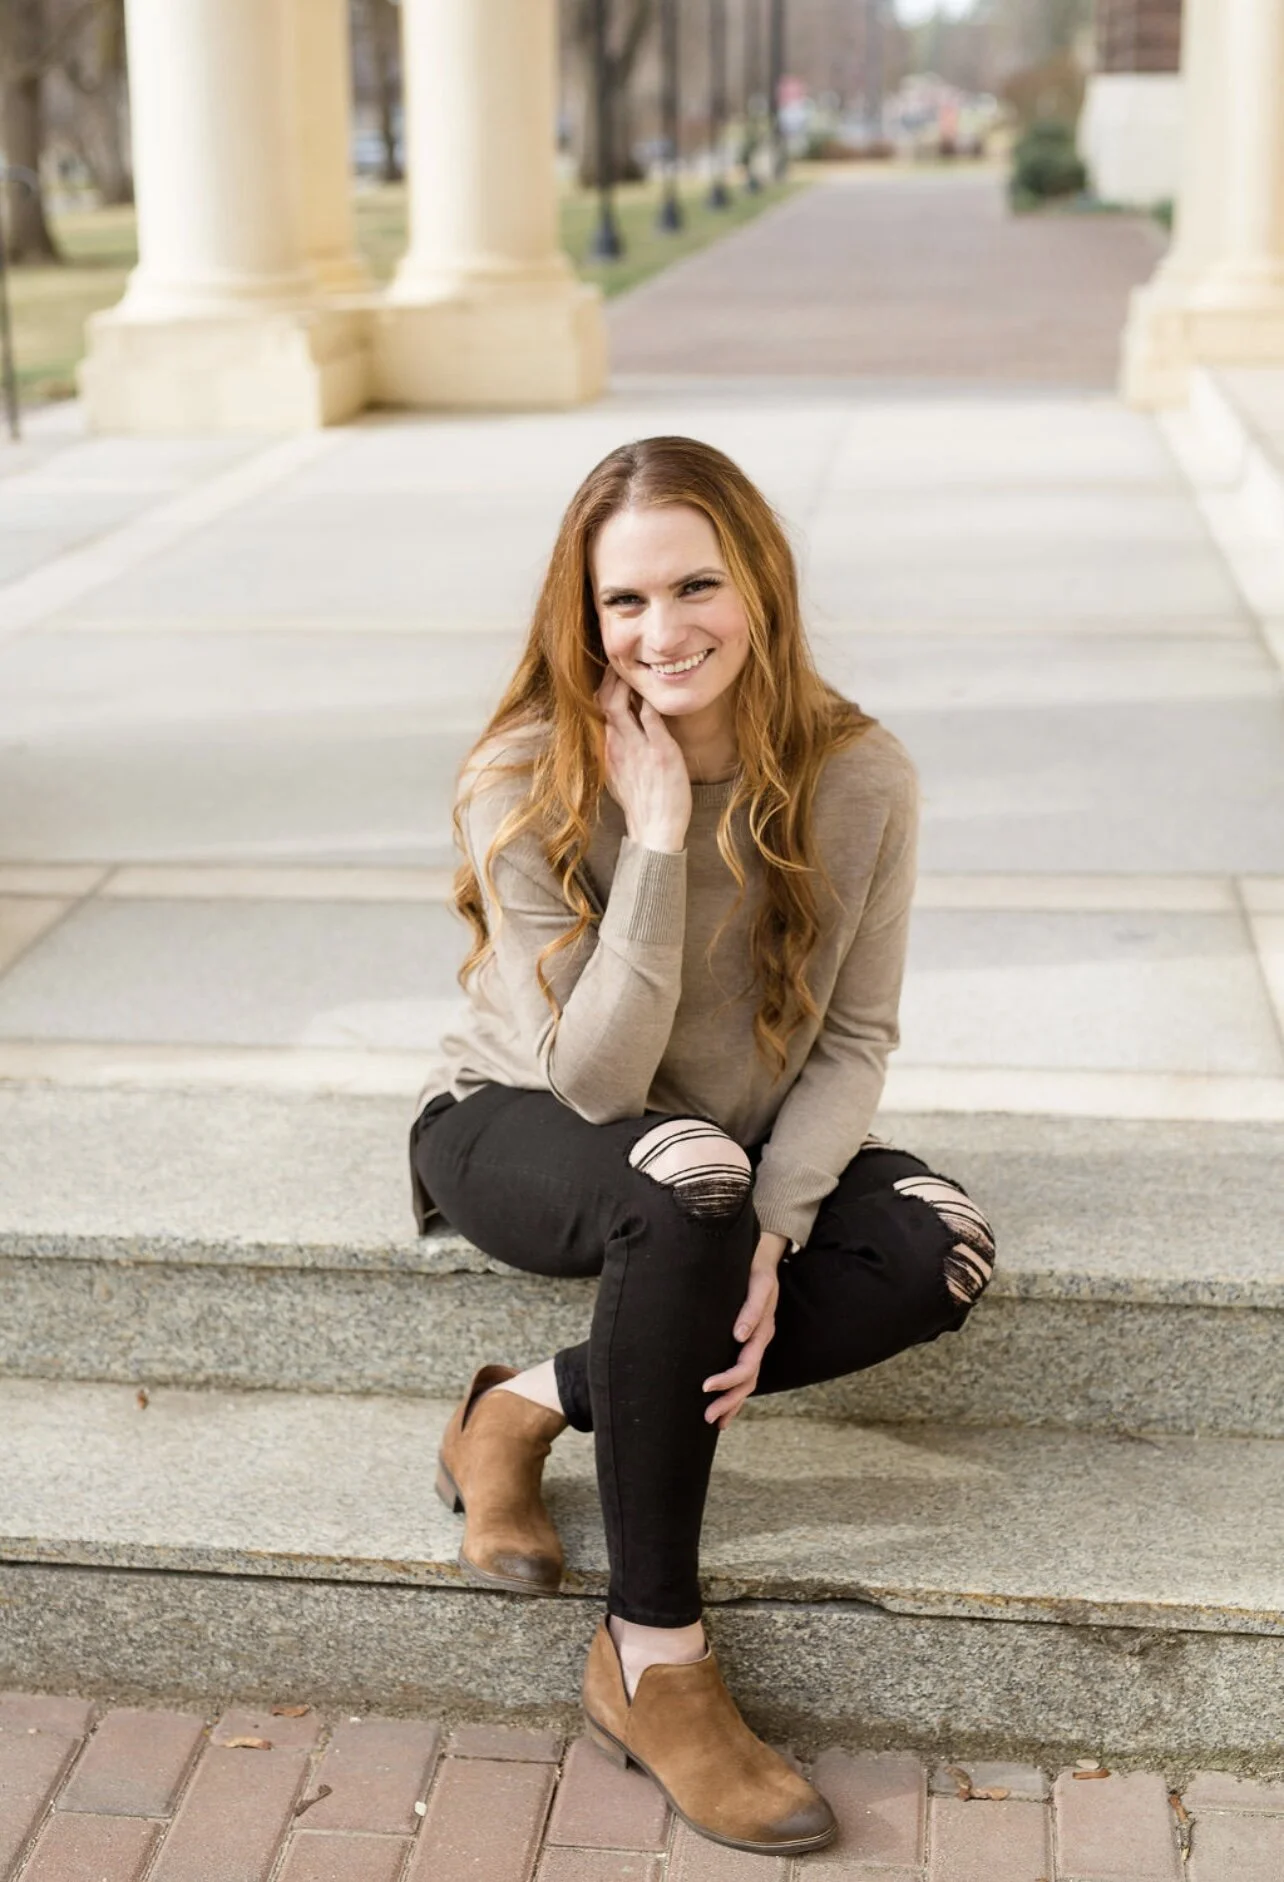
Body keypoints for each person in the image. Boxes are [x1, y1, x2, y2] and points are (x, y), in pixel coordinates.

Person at [409, 435, 995, 1856]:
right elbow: (602, 1079)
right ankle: (654, 1654)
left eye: (695, 585)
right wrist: (659, 836)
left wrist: (784, 1233)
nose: (663, 630)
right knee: (683, 1170)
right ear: (584, 616)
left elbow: (854, 1039)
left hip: (726, 1153)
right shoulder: (531, 773)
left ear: (760, 588)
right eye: (624, 602)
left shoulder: (860, 776)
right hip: (520, 1123)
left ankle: (530, 1399)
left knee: (943, 1249)